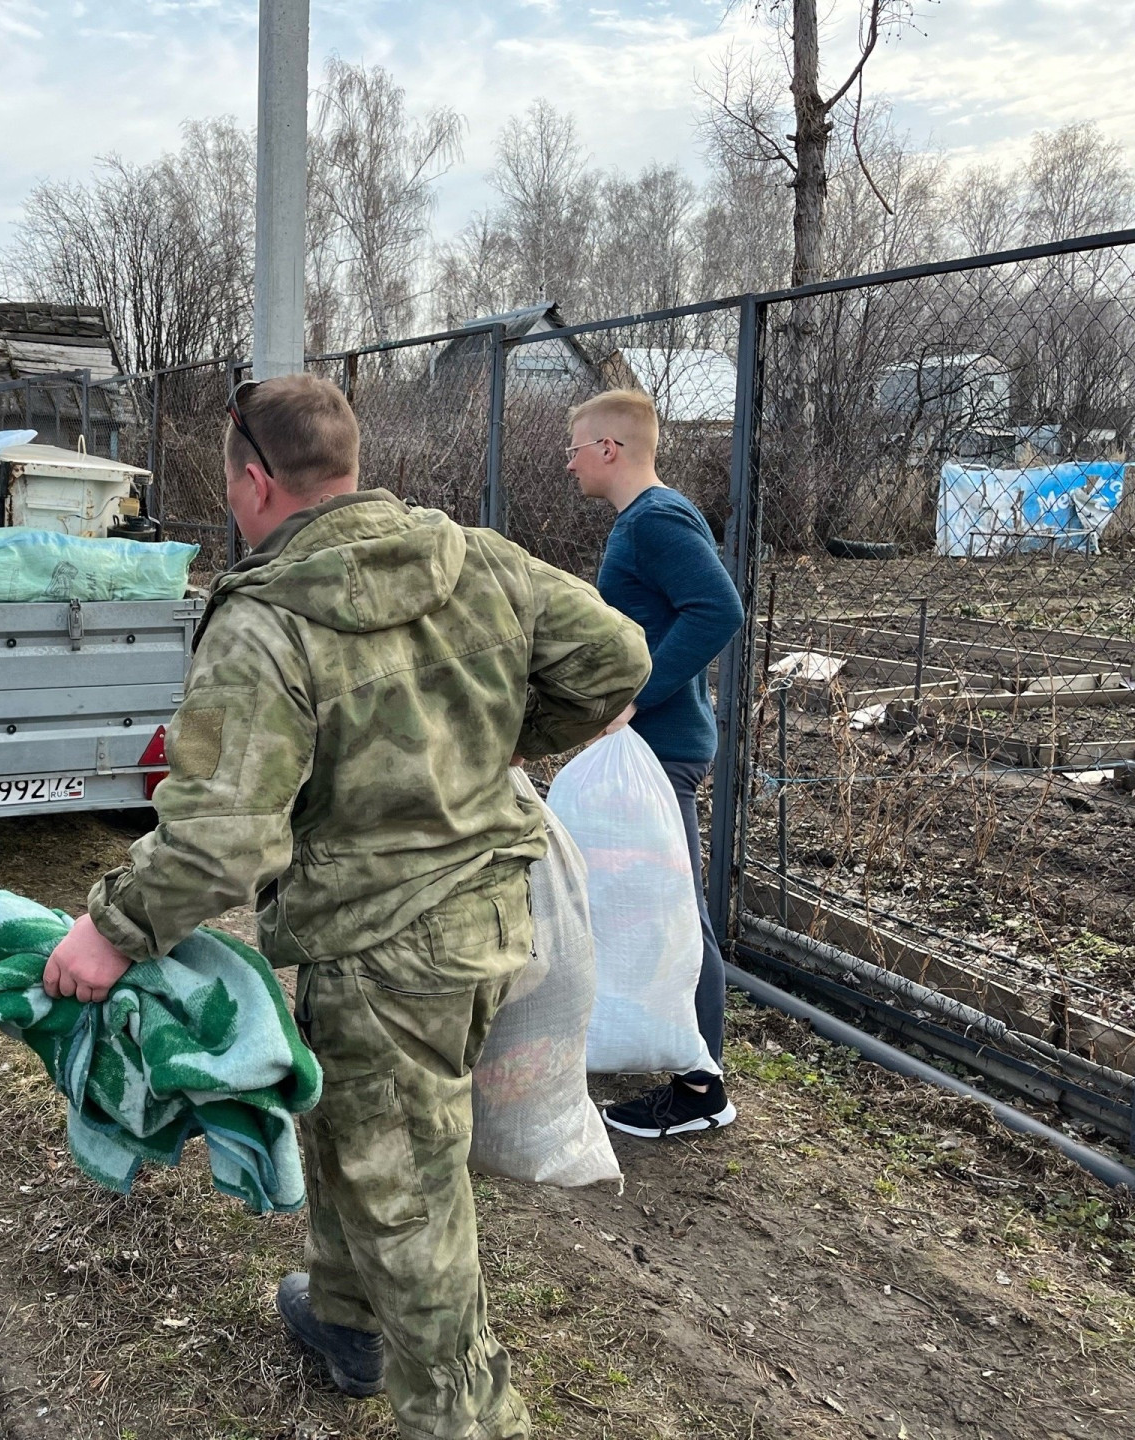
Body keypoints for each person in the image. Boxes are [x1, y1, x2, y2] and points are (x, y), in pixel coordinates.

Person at [42, 373, 650, 1439]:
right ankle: (345, 1323)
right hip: (490, 919)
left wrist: (112, 929)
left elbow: (220, 836)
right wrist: (509, 742)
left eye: (232, 480)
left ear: (255, 478)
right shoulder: (473, 559)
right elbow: (617, 658)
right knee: (363, 1133)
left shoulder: (267, 622)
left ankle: (467, 1418)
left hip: (384, 950)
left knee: (409, 1194)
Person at [566, 388, 746, 1139]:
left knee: (680, 911)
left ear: (610, 448)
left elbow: (719, 608)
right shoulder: (648, 521)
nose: (569, 461)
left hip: (662, 748)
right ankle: (653, 1043)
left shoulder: (655, 521)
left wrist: (636, 697)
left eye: (575, 447)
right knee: (645, 902)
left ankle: (702, 1087)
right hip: (651, 745)